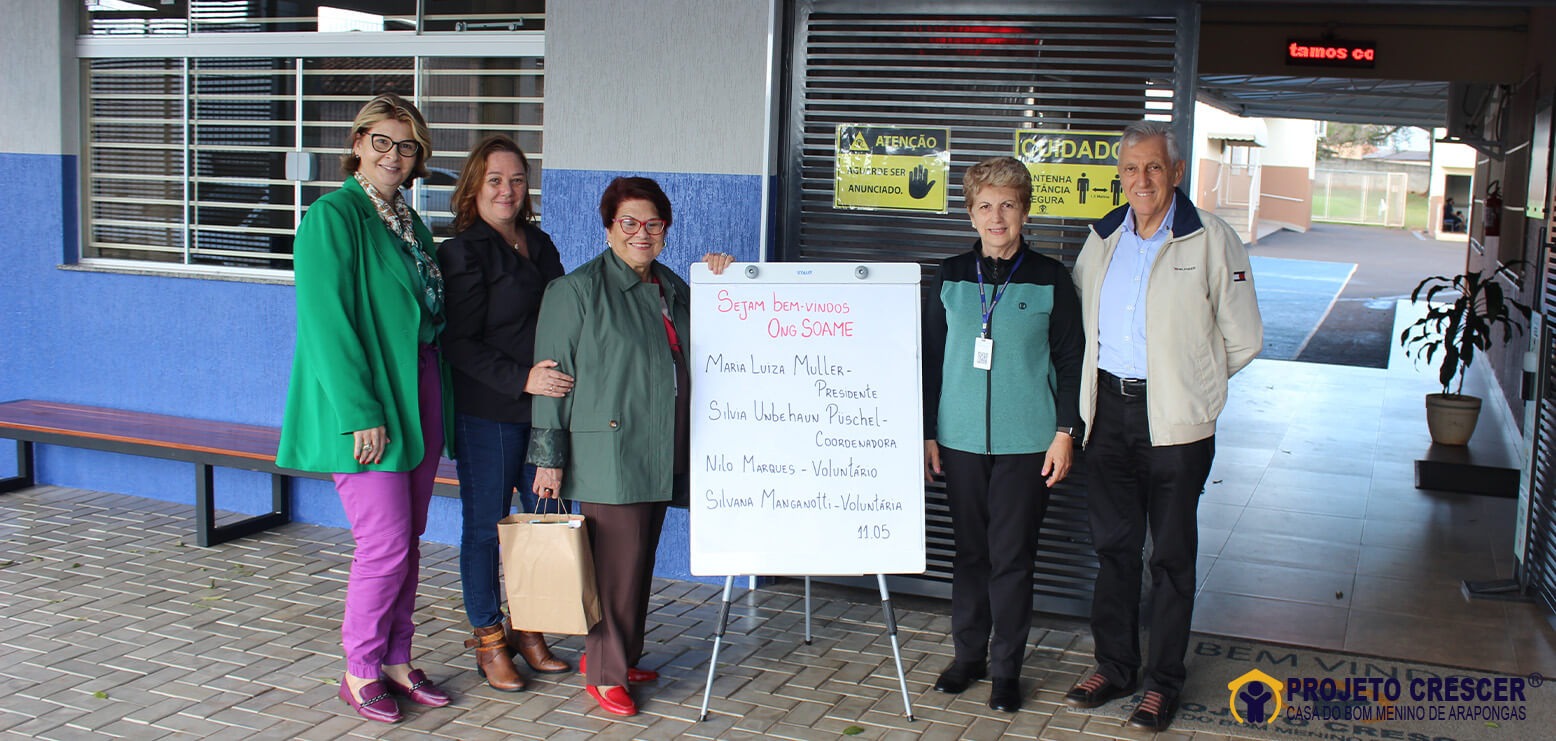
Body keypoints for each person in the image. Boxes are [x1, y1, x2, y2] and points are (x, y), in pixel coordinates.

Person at [1062, 120, 1263, 732]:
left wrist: (1194, 387)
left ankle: (1163, 681)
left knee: (1170, 557)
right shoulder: (1102, 239)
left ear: (1176, 172)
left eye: (1154, 167)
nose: (1141, 180)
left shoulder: (1210, 239)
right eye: (1130, 169)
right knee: (1114, 549)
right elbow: (1081, 330)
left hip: (1176, 422)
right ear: (1119, 176)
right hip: (1109, 416)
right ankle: (1116, 666)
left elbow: (1244, 337)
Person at [277, 93, 454, 724]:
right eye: (381, 141)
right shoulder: (335, 216)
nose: (393, 155)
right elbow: (327, 323)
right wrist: (360, 411)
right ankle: (359, 670)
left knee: (407, 539)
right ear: (356, 144)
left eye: (406, 146)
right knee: (383, 543)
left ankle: (398, 660)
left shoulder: (404, 219)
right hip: (371, 401)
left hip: (421, 391)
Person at [526, 177, 732, 717]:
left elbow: (720, 338)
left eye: (653, 224)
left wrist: (724, 281)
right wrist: (547, 460)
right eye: (629, 223)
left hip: (660, 445)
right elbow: (552, 379)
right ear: (609, 226)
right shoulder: (574, 291)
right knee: (613, 567)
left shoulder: (672, 287)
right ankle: (604, 672)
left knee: (636, 562)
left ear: (666, 229)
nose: (642, 233)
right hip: (607, 452)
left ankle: (624, 653)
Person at [923, 157, 1084, 713]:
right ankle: (968, 658)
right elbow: (929, 359)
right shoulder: (947, 276)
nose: (998, 217)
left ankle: (1006, 669)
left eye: (1008, 205)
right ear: (970, 213)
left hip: (1027, 446)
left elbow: (1070, 359)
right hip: (960, 440)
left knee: (1012, 558)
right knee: (970, 555)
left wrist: (1066, 430)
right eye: (986, 205)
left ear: (1025, 210)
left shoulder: (1050, 277)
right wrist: (928, 433)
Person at [437, 135, 574, 692]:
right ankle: (490, 640)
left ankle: (531, 629)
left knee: (542, 523)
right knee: (486, 529)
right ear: (474, 186)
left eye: (516, 179)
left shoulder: (539, 245)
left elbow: (566, 314)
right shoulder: (462, 252)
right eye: (495, 179)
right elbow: (459, 344)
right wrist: (521, 377)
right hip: (489, 412)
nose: (507, 190)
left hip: (544, 411)